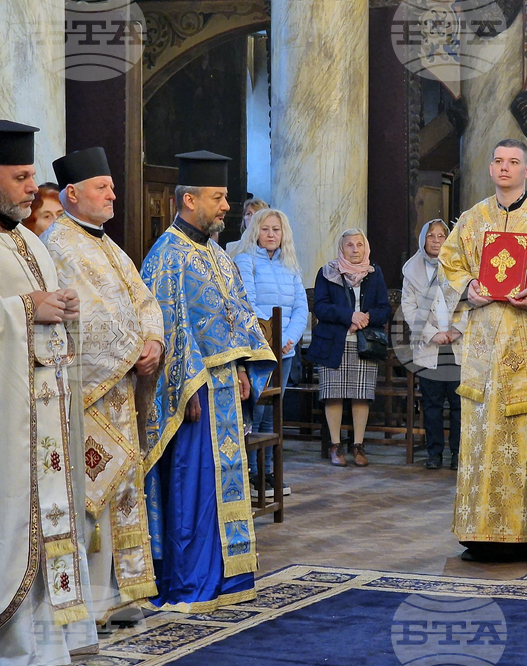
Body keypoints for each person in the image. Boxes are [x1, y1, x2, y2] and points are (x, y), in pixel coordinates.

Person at [0, 120, 97, 664]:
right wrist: (27, 309)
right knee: (2, 530)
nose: (34, 187)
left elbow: (45, 310)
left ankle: (46, 648)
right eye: (22, 176)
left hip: (45, 419)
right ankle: (1, 652)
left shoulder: (31, 239)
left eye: (33, 174)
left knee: (45, 527)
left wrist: (63, 308)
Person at [140, 150, 275, 611]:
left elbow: (237, 317)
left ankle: (228, 579)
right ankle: (191, 581)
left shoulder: (218, 255)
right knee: (193, 488)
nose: (226, 207)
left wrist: (241, 367)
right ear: (188, 199)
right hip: (192, 395)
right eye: (218, 198)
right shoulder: (166, 256)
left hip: (225, 392)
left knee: (225, 487)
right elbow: (163, 327)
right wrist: (185, 385)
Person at [439, 138, 527, 563]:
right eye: (498, 161)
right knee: (481, 439)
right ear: (490, 168)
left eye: (513, 162)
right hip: (483, 344)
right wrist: (470, 288)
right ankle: (478, 534)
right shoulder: (471, 219)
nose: (505, 168)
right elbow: (451, 263)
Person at [41, 147, 164, 624]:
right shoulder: (59, 244)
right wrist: (134, 349)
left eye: (112, 185)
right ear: (72, 194)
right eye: (103, 186)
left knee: (122, 491)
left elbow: (145, 301)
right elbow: (86, 320)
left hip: (121, 394)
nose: (113, 192)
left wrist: (152, 338)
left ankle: (125, 594)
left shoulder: (110, 246)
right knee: (91, 495)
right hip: (86, 397)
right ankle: (91, 605)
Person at [233, 207, 308, 494]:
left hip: (284, 350)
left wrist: (288, 338)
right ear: (255, 231)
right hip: (259, 349)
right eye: (265, 229)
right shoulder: (246, 260)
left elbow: (301, 307)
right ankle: (253, 474)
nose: (271, 234)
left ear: (283, 233)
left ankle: (269, 473)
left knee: (275, 414)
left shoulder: (290, 263)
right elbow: (248, 304)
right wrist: (269, 339)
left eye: (276, 229)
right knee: (257, 411)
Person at [306, 228, 391, 467]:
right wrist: (349, 316)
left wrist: (365, 317)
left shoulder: (375, 273)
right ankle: (335, 445)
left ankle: (358, 445)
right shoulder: (327, 273)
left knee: (361, 396)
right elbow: (321, 307)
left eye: (359, 245)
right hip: (333, 343)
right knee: (333, 395)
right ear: (341, 249)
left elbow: (384, 309)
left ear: (366, 247)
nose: (355, 249)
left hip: (364, 345)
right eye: (349, 245)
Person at [401, 219, 466, 470]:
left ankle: (458, 454)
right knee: (432, 403)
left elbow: (469, 301)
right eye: (431, 236)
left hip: (457, 344)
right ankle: (434, 453)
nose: (437, 240)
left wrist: (456, 330)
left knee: (459, 404)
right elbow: (409, 308)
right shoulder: (412, 270)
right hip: (430, 346)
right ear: (423, 239)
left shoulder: (459, 265)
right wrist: (432, 333)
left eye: (441, 236)